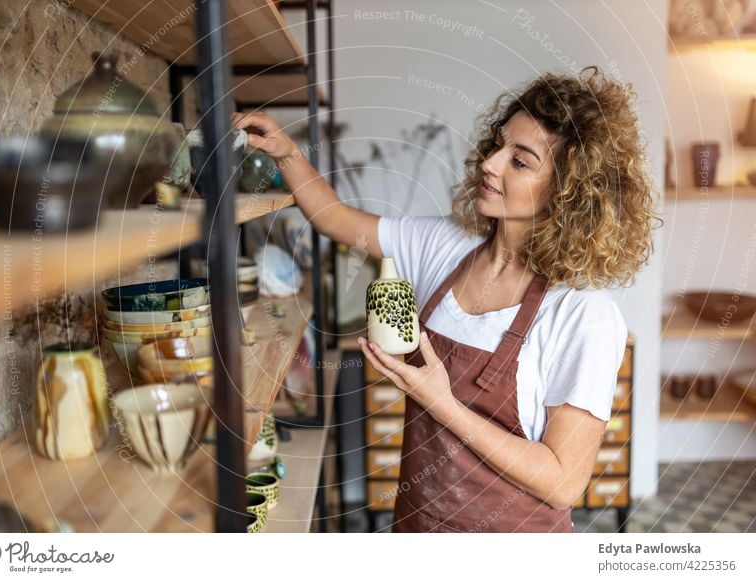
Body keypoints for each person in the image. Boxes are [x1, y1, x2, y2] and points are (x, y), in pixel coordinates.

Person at [233, 66, 659, 533]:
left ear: (569, 193)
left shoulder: (582, 314)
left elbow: (562, 482)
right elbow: (338, 221)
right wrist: (288, 154)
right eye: (499, 144)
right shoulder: (445, 246)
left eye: (520, 161)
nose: (491, 163)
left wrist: (443, 403)